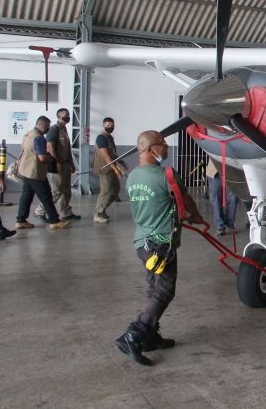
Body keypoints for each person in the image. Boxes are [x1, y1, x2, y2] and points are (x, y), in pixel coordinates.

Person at [114, 130, 205, 366]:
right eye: (162, 143)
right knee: (164, 291)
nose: (166, 147)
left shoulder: (132, 177)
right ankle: (134, 334)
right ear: (149, 148)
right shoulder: (167, 175)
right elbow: (185, 200)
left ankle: (150, 337)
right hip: (162, 244)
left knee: (154, 288)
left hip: (143, 243)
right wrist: (196, 215)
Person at [14, 117, 71, 231]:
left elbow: (24, 149)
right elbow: (42, 157)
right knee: (46, 197)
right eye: (47, 126)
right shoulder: (39, 138)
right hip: (35, 172)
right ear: (43, 125)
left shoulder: (28, 134)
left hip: (25, 170)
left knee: (26, 196)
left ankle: (20, 220)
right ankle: (55, 221)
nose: (48, 129)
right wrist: (52, 158)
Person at [35, 108, 80, 221]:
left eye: (68, 115)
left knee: (66, 190)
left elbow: (67, 149)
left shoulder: (64, 129)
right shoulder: (54, 129)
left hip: (65, 164)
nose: (67, 117)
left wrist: (71, 163)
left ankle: (66, 212)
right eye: (65, 115)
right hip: (56, 165)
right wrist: (58, 162)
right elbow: (50, 147)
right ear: (59, 117)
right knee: (56, 191)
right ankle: (40, 210)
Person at [93, 117, 125, 224]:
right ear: (103, 126)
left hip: (111, 167)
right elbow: (105, 155)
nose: (110, 127)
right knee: (106, 190)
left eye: (112, 125)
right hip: (105, 168)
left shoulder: (109, 137)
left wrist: (121, 162)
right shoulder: (101, 138)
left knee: (115, 190)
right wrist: (115, 169)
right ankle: (98, 214)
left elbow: (113, 154)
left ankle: (102, 210)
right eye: (108, 125)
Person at [205, 158, 237, 236]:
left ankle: (230, 223)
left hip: (232, 170)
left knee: (233, 199)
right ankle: (220, 226)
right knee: (216, 200)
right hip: (215, 171)